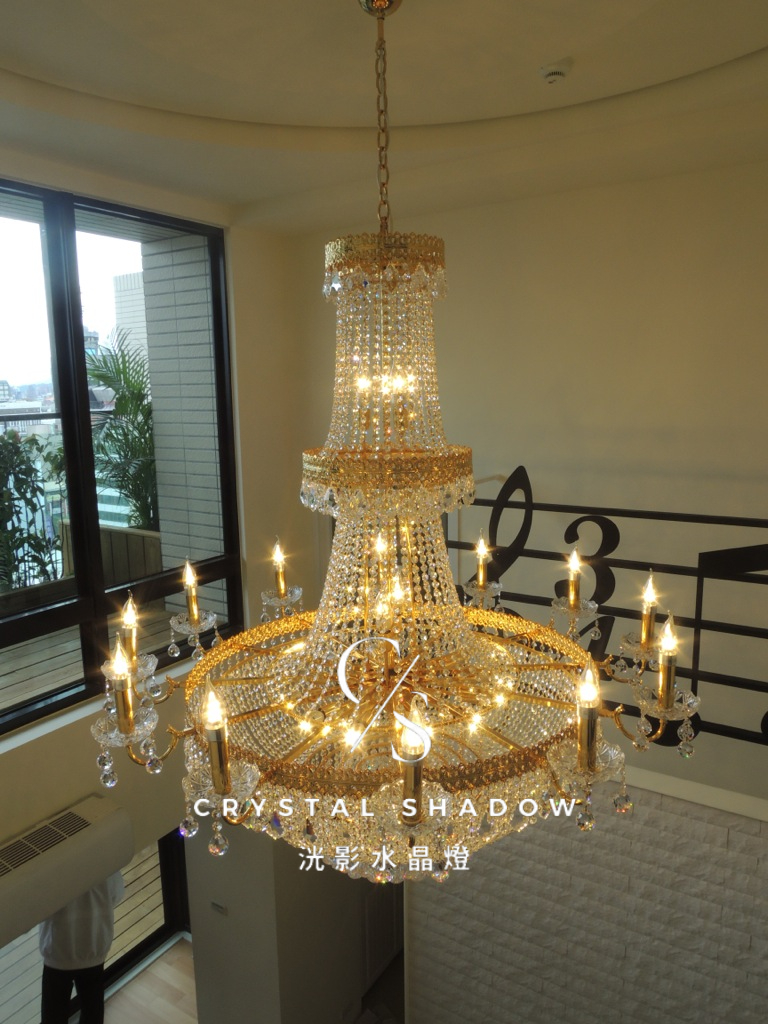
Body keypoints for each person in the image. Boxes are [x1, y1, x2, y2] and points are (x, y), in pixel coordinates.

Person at [39, 871, 125, 1024]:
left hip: (58, 950)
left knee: (53, 1014)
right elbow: (116, 895)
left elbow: (38, 908)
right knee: (93, 1009)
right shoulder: (106, 862)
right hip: (94, 945)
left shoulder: (50, 869)